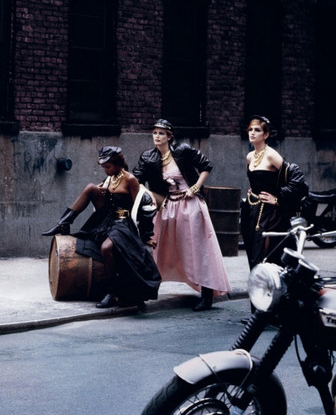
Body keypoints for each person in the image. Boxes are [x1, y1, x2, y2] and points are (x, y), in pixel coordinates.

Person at [41, 146, 161, 309]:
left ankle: (111, 292)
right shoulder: (110, 178)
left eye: (108, 167)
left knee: (106, 248)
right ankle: (63, 223)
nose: (105, 170)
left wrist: (146, 235)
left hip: (122, 221)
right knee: (91, 187)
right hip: (107, 217)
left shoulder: (130, 179)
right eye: (103, 167)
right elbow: (102, 193)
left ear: (118, 164)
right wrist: (102, 190)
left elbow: (141, 206)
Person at [133, 119, 231, 311]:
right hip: (167, 206)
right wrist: (149, 195)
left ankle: (207, 295)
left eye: (161, 133)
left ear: (169, 136)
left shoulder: (182, 150)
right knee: (159, 248)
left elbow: (206, 166)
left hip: (190, 205)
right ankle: (146, 291)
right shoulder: (148, 157)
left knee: (199, 248)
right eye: (154, 133)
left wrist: (195, 187)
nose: (157, 136)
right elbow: (136, 180)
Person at [241, 115, 307, 269]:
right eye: (250, 129)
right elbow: (257, 180)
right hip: (252, 209)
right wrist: (253, 190)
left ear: (266, 135)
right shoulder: (250, 156)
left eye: (257, 130)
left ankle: (270, 280)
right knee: (252, 247)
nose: (252, 133)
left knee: (264, 251)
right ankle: (258, 280)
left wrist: (277, 198)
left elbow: (296, 178)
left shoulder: (271, 155)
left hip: (269, 213)